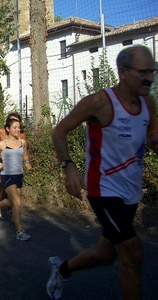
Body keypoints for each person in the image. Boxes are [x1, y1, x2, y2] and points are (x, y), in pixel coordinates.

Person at [47, 45, 158, 300]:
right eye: (143, 72)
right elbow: (59, 131)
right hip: (103, 189)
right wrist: (69, 166)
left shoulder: (148, 103)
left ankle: (62, 268)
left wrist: (154, 140)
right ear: (123, 72)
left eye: (152, 71)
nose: (150, 78)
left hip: (130, 192)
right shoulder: (99, 102)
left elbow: (152, 134)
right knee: (132, 253)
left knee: (106, 255)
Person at [0, 118, 32, 241]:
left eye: (19, 127)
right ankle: (19, 231)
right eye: (15, 127)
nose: (18, 129)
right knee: (17, 202)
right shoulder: (2, 144)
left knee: (13, 202)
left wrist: (27, 163)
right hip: (7, 175)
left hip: (19, 174)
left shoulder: (23, 143)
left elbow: (25, 155)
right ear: (8, 129)